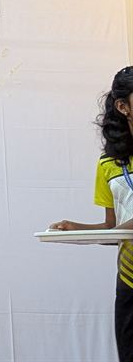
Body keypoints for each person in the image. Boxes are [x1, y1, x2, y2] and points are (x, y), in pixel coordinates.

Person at [49, 65, 133, 360]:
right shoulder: (109, 164)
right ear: (123, 107)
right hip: (130, 280)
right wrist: (80, 229)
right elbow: (114, 228)